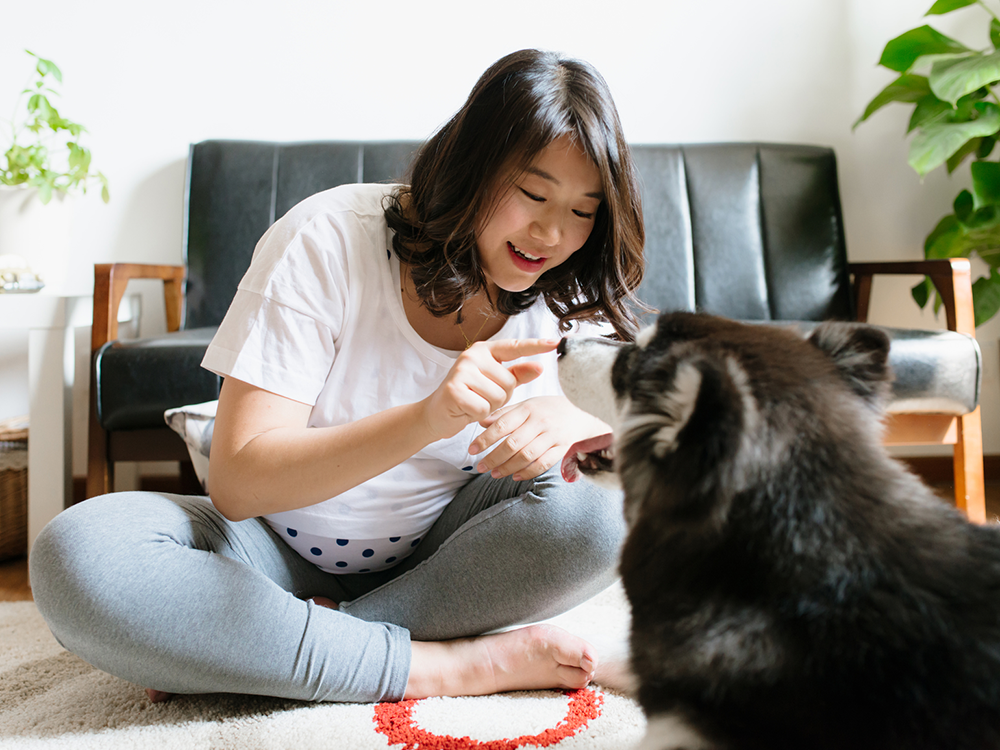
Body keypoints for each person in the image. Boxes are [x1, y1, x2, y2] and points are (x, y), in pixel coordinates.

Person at [29, 48, 646, 705]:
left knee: (609, 508)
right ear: (473, 166)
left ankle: (291, 653)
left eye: (583, 211)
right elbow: (238, 483)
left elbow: (640, 437)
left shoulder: (566, 289)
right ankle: (455, 667)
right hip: (267, 551)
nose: (553, 233)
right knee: (77, 556)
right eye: (533, 194)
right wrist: (426, 418)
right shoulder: (325, 239)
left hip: (441, 562)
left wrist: (581, 424)